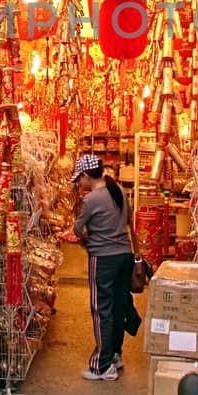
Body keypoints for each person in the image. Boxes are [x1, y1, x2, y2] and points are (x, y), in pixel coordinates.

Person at [72, 154, 132, 381]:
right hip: (123, 256)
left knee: (101, 310)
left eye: (80, 179)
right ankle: (116, 355)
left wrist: (87, 234)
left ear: (87, 176)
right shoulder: (119, 191)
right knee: (118, 307)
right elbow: (126, 221)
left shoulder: (91, 200)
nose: (79, 183)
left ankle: (102, 365)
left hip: (103, 259)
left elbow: (79, 229)